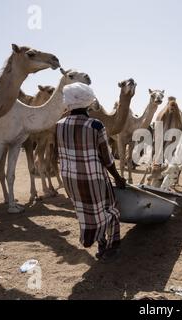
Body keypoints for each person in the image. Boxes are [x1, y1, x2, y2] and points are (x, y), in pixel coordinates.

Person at [56, 83, 126, 261]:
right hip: (93, 179)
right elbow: (107, 159)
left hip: (70, 180)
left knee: (86, 211)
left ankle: (98, 241)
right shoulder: (95, 125)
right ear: (88, 102)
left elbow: (59, 153)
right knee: (111, 209)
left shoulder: (57, 125)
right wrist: (117, 178)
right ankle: (112, 246)